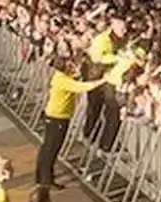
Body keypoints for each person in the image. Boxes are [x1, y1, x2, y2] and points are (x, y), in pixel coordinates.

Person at [37, 50, 117, 189]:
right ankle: (46, 180)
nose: (72, 65)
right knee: (51, 149)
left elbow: (77, 76)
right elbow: (82, 87)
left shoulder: (62, 76)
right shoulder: (62, 80)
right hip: (57, 118)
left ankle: (42, 177)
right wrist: (103, 80)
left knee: (47, 148)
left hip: (55, 116)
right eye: (69, 64)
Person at [83, 17, 126, 151]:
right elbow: (97, 58)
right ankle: (89, 134)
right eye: (122, 29)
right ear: (113, 27)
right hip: (96, 77)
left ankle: (107, 143)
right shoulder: (101, 40)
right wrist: (117, 58)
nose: (124, 31)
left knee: (112, 111)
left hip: (109, 80)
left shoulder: (121, 39)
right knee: (94, 108)